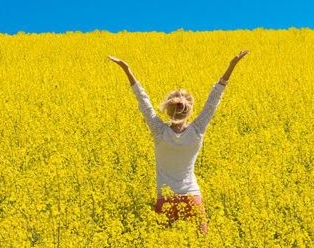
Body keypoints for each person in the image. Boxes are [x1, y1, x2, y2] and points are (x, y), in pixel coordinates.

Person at [107, 50, 250, 236]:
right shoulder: (197, 130)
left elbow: (144, 103)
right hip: (192, 198)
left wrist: (127, 70)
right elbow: (213, 101)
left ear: (167, 110)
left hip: (166, 200)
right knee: (202, 247)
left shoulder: (159, 131)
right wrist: (231, 67)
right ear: (189, 110)